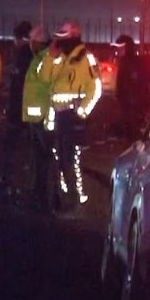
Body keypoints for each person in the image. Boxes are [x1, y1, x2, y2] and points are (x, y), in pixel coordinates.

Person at [46, 21, 101, 211]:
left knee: (72, 159)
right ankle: (63, 197)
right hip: (58, 116)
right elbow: (45, 79)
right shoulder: (60, 57)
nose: (60, 42)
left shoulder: (85, 58)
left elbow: (96, 88)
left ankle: (76, 198)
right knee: (59, 158)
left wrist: (82, 112)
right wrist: (50, 57)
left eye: (63, 38)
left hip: (72, 116)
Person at [0, 20, 34, 192]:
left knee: (10, 146)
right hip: (31, 109)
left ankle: (10, 181)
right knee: (30, 148)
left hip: (18, 109)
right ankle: (26, 182)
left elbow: (17, 86)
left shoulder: (22, 56)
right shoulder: (35, 55)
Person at [21, 25, 54, 210]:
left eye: (32, 42)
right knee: (39, 158)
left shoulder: (45, 59)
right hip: (36, 117)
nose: (30, 45)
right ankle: (39, 193)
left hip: (42, 118)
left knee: (43, 158)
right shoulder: (39, 58)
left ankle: (43, 197)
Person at [114, 35, 150, 140]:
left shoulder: (129, 63)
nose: (117, 50)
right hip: (132, 105)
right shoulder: (130, 62)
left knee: (132, 134)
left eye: (120, 47)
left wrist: (125, 99)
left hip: (132, 105)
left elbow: (133, 84)